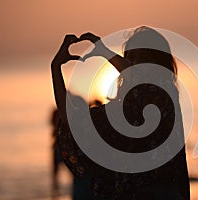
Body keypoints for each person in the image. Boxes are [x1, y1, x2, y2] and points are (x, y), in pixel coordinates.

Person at [51, 26, 190, 199]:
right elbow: (73, 120)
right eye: (132, 58)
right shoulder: (121, 111)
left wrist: (104, 51)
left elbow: (141, 77)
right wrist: (56, 67)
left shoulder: (163, 92)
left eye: (144, 58)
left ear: (159, 62)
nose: (136, 64)